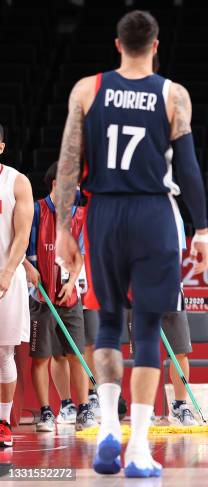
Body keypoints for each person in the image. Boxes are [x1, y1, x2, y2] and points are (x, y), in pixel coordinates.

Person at [53, 10, 208, 477]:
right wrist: (201, 230)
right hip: (153, 212)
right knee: (146, 331)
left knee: (106, 324)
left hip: (103, 212)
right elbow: (189, 169)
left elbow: (67, 163)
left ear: (118, 45)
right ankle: (138, 449)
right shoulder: (172, 94)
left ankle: (107, 429)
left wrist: (65, 229)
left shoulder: (87, 88)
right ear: (156, 45)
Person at [27, 161, 96, 433]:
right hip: (40, 295)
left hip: (68, 297)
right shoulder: (35, 210)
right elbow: (21, 245)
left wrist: (70, 282)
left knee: (76, 354)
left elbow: (78, 255)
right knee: (41, 357)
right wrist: (28, 268)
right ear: (56, 183)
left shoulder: (78, 215)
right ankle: (45, 411)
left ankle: (83, 410)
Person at [0, 125, 34, 448]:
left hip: (6, 278)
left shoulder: (16, 182)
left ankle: (3, 423)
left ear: (1, 147)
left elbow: (22, 236)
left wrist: (9, 271)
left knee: (4, 354)